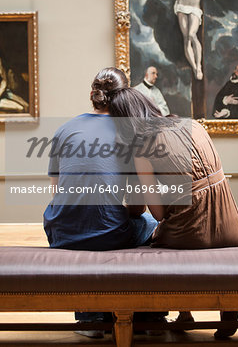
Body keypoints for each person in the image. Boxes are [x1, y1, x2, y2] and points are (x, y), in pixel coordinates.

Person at [108, 68, 238, 339]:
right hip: (232, 225)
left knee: (153, 236)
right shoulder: (193, 124)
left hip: (190, 234)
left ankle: (180, 311)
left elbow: (157, 213)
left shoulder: (143, 148)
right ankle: (223, 307)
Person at [43, 67, 160, 339]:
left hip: (61, 231)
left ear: (92, 96)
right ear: (125, 96)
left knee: (86, 225)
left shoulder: (64, 128)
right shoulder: (129, 134)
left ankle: (90, 319)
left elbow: (56, 193)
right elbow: (137, 208)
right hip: (107, 233)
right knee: (152, 223)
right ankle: (150, 314)